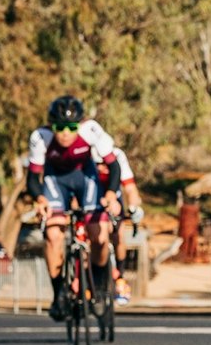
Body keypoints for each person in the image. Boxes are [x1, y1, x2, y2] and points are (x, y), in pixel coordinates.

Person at [26, 95, 122, 321]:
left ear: (79, 124)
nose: (66, 133)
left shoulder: (91, 130)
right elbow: (32, 178)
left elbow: (114, 166)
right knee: (53, 234)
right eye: (60, 127)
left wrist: (110, 195)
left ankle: (98, 288)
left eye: (71, 127)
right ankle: (59, 293)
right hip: (55, 180)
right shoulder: (40, 137)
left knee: (99, 235)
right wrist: (40, 200)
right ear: (52, 126)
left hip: (85, 176)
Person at [100, 146, 144, 305]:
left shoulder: (117, 155)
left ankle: (120, 277)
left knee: (118, 234)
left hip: (114, 202)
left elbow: (130, 188)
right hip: (92, 198)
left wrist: (133, 207)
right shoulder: (85, 152)